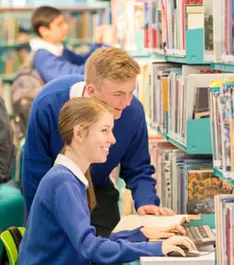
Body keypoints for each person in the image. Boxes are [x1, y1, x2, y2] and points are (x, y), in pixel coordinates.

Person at [19, 97, 196, 264]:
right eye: (105, 130)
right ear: (79, 133)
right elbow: (89, 247)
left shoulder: (69, 177)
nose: (112, 140)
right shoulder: (63, 183)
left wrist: (141, 234)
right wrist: (156, 248)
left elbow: (90, 241)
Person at [22, 47, 175, 241]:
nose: (127, 102)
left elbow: (138, 168)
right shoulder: (49, 102)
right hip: (53, 194)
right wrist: (39, 224)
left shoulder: (132, 111)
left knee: (113, 250)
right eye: (119, 94)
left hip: (98, 191)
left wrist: (146, 201)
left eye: (131, 92)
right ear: (92, 91)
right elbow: (33, 172)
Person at [29, 6, 112, 83]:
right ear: (44, 31)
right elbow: (73, 76)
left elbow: (82, 61)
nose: (66, 27)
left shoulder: (58, 48)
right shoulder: (43, 56)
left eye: (65, 22)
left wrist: (97, 44)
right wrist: (106, 46)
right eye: (59, 24)